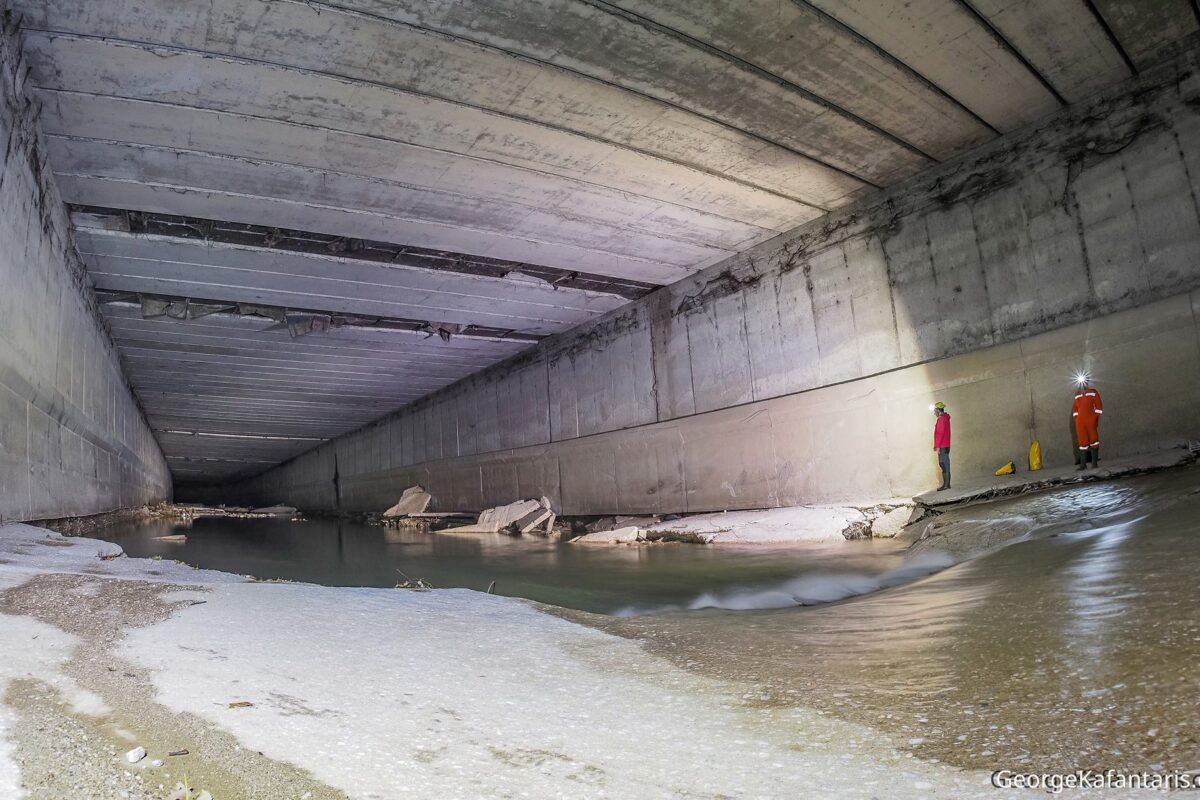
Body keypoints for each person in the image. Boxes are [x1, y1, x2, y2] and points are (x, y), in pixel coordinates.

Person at [1072, 379, 1103, 470]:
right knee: (1082, 442)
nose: (1083, 383)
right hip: (1080, 423)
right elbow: (1075, 408)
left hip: (1090, 421)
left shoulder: (1093, 392)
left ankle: (1094, 463)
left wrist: (1094, 418)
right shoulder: (1078, 394)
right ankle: (1083, 465)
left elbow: (1099, 407)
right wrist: (1077, 419)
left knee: (1094, 440)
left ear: (1087, 382)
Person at [932, 401, 951, 491]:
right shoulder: (945, 418)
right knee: (944, 463)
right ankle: (947, 484)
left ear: (938, 410)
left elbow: (940, 433)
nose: (934, 413)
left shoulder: (941, 419)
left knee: (943, 464)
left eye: (934, 411)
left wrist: (938, 446)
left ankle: (946, 485)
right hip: (945, 444)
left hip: (942, 445)